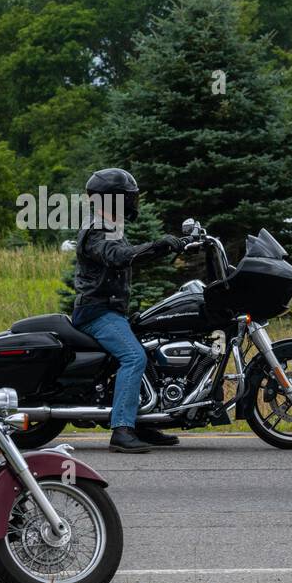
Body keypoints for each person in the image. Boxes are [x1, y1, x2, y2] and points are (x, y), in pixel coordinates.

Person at [71, 168, 184, 454]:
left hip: (110, 310)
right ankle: (122, 430)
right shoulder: (96, 229)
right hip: (96, 312)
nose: (133, 203)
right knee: (133, 357)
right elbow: (118, 256)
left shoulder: (110, 226)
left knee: (148, 348)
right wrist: (157, 246)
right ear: (112, 200)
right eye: (127, 198)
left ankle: (142, 422)